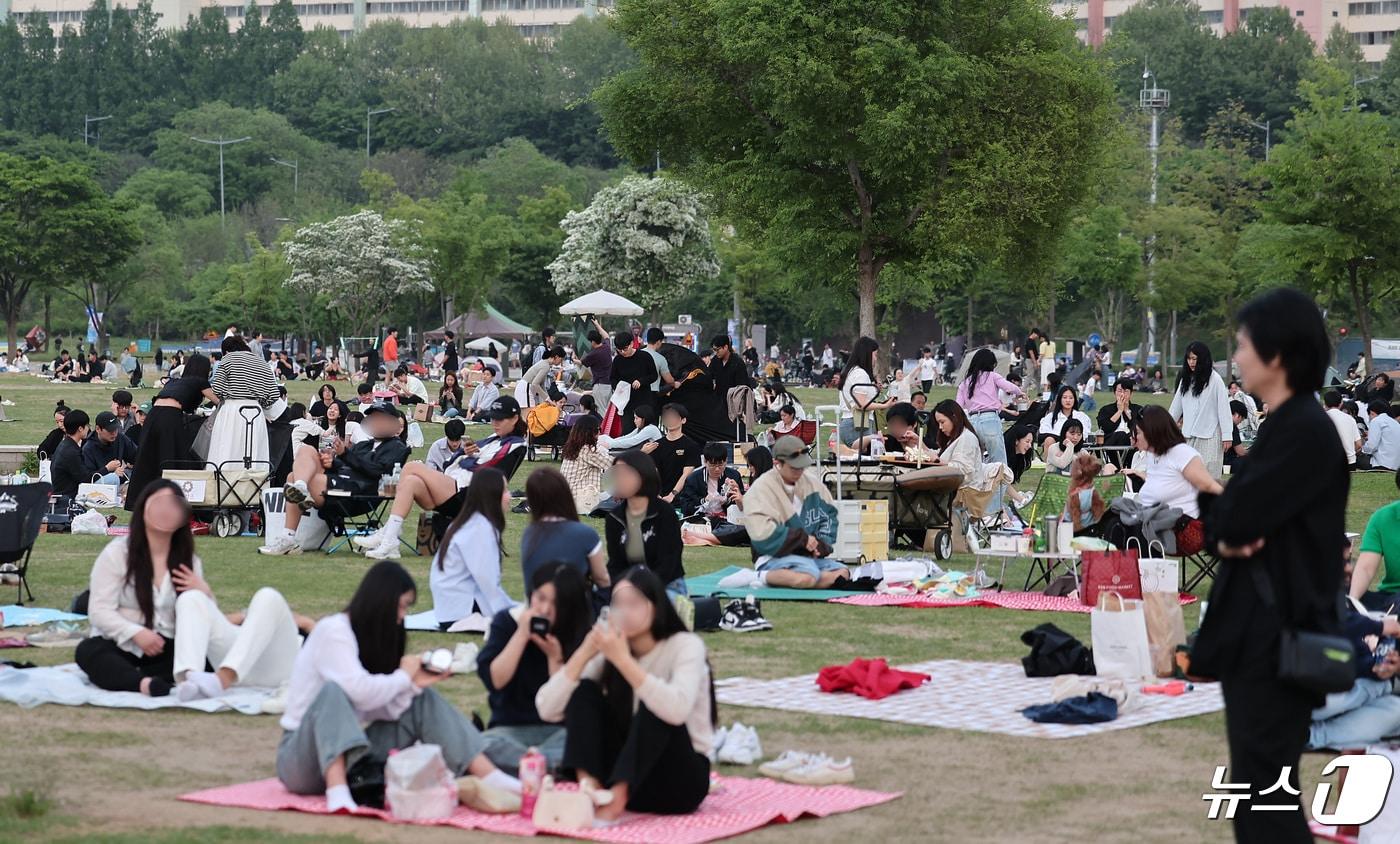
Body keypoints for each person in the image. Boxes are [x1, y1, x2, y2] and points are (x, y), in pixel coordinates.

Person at [1190, 288, 1348, 837]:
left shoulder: (1303, 430)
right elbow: (1224, 526)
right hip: (1262, 635)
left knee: (1264, 802)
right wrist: (1226, 525)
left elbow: (1231, 519)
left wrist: (1225, 522)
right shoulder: (1287, 425)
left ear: (1276, 354)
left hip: (1277, 638)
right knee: (1258, 797)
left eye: (1243, 345)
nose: (1236, 357)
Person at [276, 561, 518, 814]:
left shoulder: (366, 637)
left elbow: (371, 709)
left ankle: (489, 775)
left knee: (422, 700)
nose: (402, 616)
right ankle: (337, 791)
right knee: (332, 692)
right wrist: (404, 676)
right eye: (401, 606)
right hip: (301, 761)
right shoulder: (334, 631)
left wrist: (413, 686)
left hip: (350, 756)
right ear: (381, 601)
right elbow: (360, 692)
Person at [535, 566, 713, 819]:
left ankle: (615, 801)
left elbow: (677, 710)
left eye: (634, 603)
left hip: (678, 780)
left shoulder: (686, 646)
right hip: (624, 770)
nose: (624, 612)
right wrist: (586, 650)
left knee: (656, 707)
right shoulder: (610, 648)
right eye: (617, 604)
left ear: (656, 606)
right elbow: (547, 708)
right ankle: (589, 790)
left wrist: (623, 660)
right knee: (584, 692)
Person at [356, 397, 528, 559]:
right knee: (410, 482)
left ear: (514, 419)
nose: (494, 423)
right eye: (493, 419)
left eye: (500, 420)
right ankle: (390, 542)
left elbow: (487, 470)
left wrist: (468, 456)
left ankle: (387, 535)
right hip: (457, 488)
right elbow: (456, 462)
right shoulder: (495, 438)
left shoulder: (515, 444)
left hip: (470, 495)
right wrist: (465, 453)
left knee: (411, 467)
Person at [75, 482, 205, 697]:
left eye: (173, 505)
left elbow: (199, 617)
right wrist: (136, 632)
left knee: (207, 654)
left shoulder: (188, 560)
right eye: (158, 504)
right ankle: (143, 684)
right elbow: (99, 611)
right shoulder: (117, 553)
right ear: (143, 508)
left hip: (168, 646)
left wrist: (203, 591)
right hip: (121, 643)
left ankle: (155, 676)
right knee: (88, 651)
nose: (165, 511)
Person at [477, 563, 592, 774]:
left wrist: (555, 659)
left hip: (559, 732)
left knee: (585, 744)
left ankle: (527, 767)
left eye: (555, 603)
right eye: (540, 598)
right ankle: (544, 767)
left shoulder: (579, 633)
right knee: (480, 746)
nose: (545, 610)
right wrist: (521, 635)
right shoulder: (507, 621)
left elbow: (568, 708)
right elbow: (495, 680)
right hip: (509, 730)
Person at [260, 403, 412, 557]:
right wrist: (332, 462)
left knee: (294, 477)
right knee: (306, 451)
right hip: (340, 482)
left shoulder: (397, 447)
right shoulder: (364, 445)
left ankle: (289, 535)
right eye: (373, 418)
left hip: (359, 493)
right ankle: (300, 489)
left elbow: (376, 471)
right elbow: (346, 464)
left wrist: (345, 454)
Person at [1308, 535, 1400, 750]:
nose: (1349, 569)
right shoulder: (1298, 600)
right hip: (1300, 691)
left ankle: (1313, 736)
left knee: (1395, 709)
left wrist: (1381, 665)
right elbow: (1332, 650)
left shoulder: (1346, 604)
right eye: (1341, 563)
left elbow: (1354, 653)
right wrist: (1378, 629)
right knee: (1363, 687)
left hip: (1344, 688)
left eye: (1349, 561)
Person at [728, 435, 846, 589]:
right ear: (778, 463)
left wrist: (820, 545)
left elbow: (829, 516)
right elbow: (762, 534)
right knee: (808, 577)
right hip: (772, 556)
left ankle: (782, 580)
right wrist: (802, 540)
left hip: (806, 555)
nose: (799, 471)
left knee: (843, 573)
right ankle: (759, 576)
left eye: (801, 466)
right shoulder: (762, 489)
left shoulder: (811, 484)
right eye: (793, 467)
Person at [429, 467, 517, 631]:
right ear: (491, 495)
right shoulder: (479, 528)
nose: (509, 496)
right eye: (504, 491)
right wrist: (510, 612)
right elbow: (486, 580)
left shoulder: (469, 522)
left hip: (450, 607)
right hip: (460, 611)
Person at [127, 355, 217, 508]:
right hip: (170, 417)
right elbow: (217, 400)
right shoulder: (200, 381)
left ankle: (139, 502)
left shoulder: (174, 381)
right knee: (172, 457)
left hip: (153, 416)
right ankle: (175, 500)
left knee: (147, 459)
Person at [601, 451, 685, 597]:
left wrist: (642, 591)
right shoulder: (614, 517)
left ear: (643, 475)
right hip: (627, 585)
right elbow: (615, 564)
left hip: (666, 585)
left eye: (626, 475)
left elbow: (668, 563)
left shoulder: (665, 513)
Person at [956, 348, 1026, 512]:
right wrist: (1020, 392)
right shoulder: (992, 376)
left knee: (977, 467)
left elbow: (958, 406)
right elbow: (1009, 387)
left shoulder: (966, 382)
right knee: (1000, 468)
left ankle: (974, 506)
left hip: (972, 421)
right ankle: (993, 509)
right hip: (990, 421)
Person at [520, 468, 611, 591]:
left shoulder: (529, 533)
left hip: (538, 603)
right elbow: (602, 578)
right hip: (573, 604)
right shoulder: (585, 534)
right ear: (565, 494)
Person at [209, 335, 280, 469]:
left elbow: (216, 388)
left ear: (226, 351)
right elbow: (274, 394)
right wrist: (261, 403)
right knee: (254, 454)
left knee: (227, 451)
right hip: (256, 411)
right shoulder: (262, 362)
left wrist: (229, 394)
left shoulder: (227, 359)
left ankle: (224, 487)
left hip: (231, 409)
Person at [1168, 341, 1233, 480]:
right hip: (1188, 435)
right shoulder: (1185, 380)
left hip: (1209, 435)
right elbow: (1175, 408)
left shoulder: (1215, 380)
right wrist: (1163, 429)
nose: (1191, 362)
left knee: (1209, 477)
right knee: (1187, 477)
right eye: (1189, 358)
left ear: (1202, 359)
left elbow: (1224, 408)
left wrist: (1227, 435)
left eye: (1194, 359)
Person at [1350, 468, 1400, 611]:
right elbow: (1366, 568)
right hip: (1389, 596)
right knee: (1340, 596)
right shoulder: (1383, 517)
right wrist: (1353, 602)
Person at [837, 336, 895, 449]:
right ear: (868, 354)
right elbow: (861, 404)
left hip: (851, 422)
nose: (875, 359)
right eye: (875, 355)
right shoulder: (860, 374)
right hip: (857, 425)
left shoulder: (852, 371)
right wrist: (884, 405)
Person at [675, 441, 746, 519]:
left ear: (726, 461)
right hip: (702, 519)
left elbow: (740, 504)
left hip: (727, 519)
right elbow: (685, 506)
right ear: (705, 462)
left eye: (720, 465)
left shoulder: (734, 476)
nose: (717, 469)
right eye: (712, 465)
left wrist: (728, 500)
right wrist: (704, 500)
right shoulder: (693, 479)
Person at [560, 415, 612, 514]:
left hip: (567, 499)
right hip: (581, 500)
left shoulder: (572, 447)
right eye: (598, 429)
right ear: (591, 432)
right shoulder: (588, 450)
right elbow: (614, 464)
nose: (600, 432)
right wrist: (641, 454)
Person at [651, 404, 701, 503]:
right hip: (659, 496)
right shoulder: (657, 445)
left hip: (682, 497)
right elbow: (653, 472)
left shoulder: (691, 445)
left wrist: (672, 494)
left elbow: (687, 474)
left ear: (683, 420)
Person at [610, 333, 658, 435]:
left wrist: (641, 381)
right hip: (626, 402)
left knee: (645, 430)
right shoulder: (618, 360)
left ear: (632, 344)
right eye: (619, 350)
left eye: (625, 349)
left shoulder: (644, 356)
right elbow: (613, 378)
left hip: (643, 400)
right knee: (628, 430)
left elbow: (654, 376)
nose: (623, 352)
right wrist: (618, 387)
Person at [82, 411, 138, 487]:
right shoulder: (88, 448)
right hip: (98, 488)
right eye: (110, 430)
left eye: (116, 429)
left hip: (119, 482)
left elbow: (136, 455)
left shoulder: (120, 438)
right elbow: (87, 478)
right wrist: (107, 469)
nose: (114, 433)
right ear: (98, 429)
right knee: (113, 478)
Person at [1096, 380, 1143, 469]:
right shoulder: (1106, 409)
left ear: (1131, 393)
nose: (1122, 394)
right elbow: (1105, 428)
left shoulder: (1138, 409)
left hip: (1133, 442)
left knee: (1130, 437)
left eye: (1126, 391)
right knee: (1121, 434)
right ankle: (1119, 467)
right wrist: (1119, 411)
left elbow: (1140, 428)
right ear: (1114, 393)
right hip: (1111, 442)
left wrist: (1126, 411)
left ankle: (1128, 467)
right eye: (1120, 391)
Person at [1037, 385, 1093, 454]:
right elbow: (1043, 432)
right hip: (1056, 446)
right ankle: (1050, 464)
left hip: (1076, 445)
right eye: (1065, 397)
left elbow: (1085, 434)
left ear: (1075, 400)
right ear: (1060, 399)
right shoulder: (1050, 417)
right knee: (1049, 440)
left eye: (1071, 398)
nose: (1068, 400)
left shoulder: (1082, 416)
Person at [49, 408, 91, 499]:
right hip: (65, 500)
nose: (88, 428)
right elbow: (85, 478)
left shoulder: (65, 445)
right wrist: (107, 469)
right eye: (87, 425)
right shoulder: (70, 450)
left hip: (63, 496)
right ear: (80, 428)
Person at [1064, 452, 1107, 535]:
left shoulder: (1082, 492)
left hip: (1082, 529)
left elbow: (1098, 510)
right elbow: (1098, 513)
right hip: (1082, 529)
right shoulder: (1088, 492)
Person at [1321, 391, 1362, 470]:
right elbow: (1359, 444)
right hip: (1349, 462)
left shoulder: (1321, 418)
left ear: (1325, 403)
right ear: (1341, 403)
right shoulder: (1350, 419)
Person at [580, 321, 613, 409]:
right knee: (608, 412)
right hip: (610, 384)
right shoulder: (607, 347)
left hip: (600, 385)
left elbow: (582, 363)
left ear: (593, 341)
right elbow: (606, 336)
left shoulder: (594, 354)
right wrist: (597, 325)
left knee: (600, 410)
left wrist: (574, 359)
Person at [1361, 399, 1400, 472]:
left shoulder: (1376, 421)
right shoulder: (1393, 422)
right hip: (1396, 464)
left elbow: (1371, 447)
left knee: (1355, 459)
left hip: (1382, 464)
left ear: (1371, 413)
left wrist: (1362, 448)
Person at [644, 328, 677, 393]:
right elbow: (669, 380)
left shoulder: (637, 354)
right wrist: (675, 384)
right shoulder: (660, 359)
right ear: (658, 342)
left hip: (635, 393)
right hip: (651, 394)